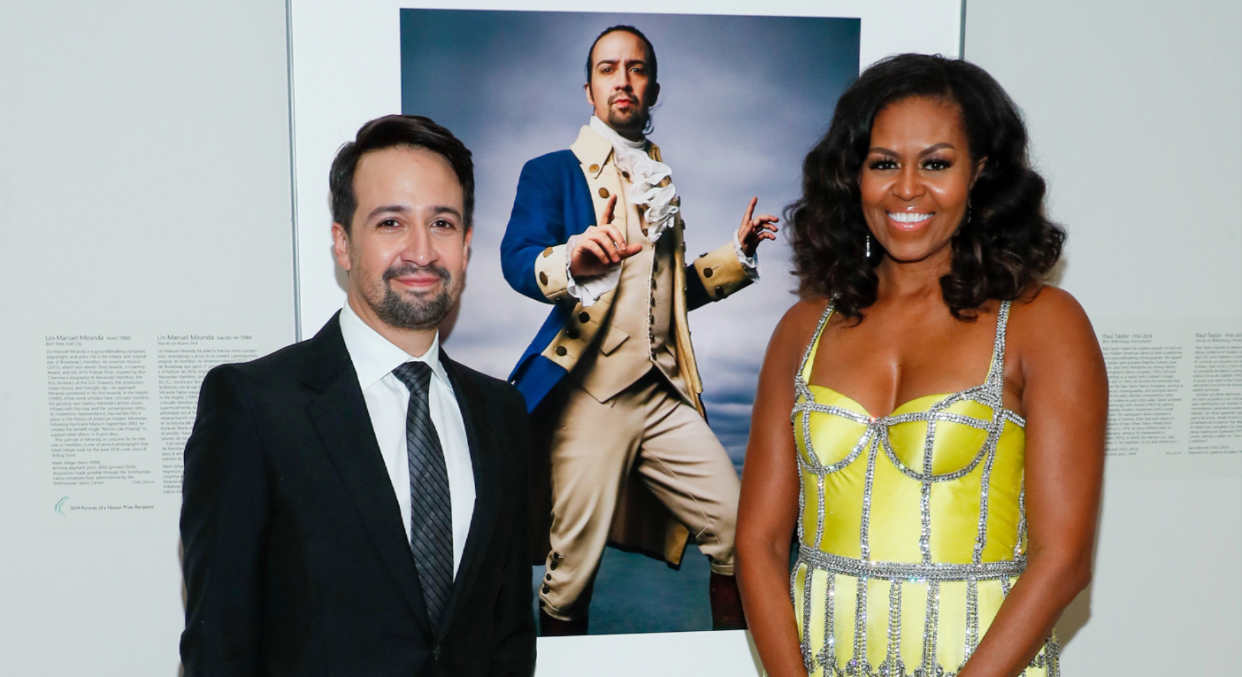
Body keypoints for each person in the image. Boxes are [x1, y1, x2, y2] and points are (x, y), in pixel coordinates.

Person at [736, 54, 1106, 677]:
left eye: (936, 163)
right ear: (853, 176)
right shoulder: (804, 328)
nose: (908, 188)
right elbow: (760, 542)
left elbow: (1063, 560)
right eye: (884, 164)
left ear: (981, 172)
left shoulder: (1044, 323)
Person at [180, 115, 536, 676]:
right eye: (391, 222)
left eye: (442, 223)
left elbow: (509, 633)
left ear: (467, 247)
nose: (421, 251)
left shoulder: (502, 414)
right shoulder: (253, 406)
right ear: (343, 244)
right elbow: (219, 646)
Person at [500, 25, 778, 635]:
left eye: (636, 69)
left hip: (663, 392)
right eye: (607, 69)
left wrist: (735, 255)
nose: (622, 80)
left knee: (736, 530)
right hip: (589, 396)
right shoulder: (551, 170)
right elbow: (516, 257)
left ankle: (728, 663)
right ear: (589, 87)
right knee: (569, 575)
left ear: (652, 87)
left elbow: (668, 298)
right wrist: (572, 257)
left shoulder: (662, 181)